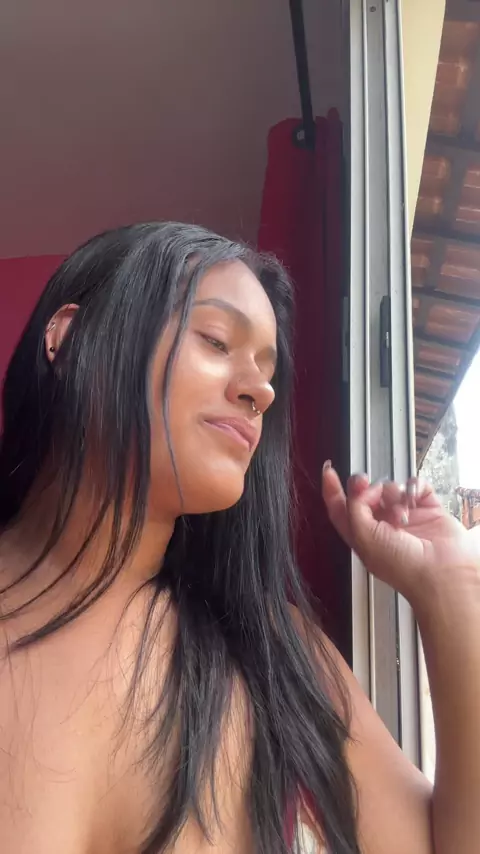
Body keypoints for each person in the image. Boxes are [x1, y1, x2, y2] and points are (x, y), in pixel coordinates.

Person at [0, 222, 478, 854]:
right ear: (69, 337)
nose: (261, 391)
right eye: (217, 339)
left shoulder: (278, 655)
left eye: (267, 371)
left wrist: (452, 590)